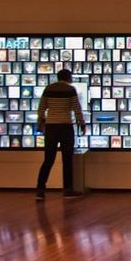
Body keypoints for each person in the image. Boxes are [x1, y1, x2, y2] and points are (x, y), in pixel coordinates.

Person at [36, 69, 86, 201]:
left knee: (48, 160)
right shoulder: (70, 89)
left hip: (51, 127)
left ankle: (40, 190)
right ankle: (67, 190)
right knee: (67, 160)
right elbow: (77, 108)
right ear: (68, 77)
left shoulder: (48, 89)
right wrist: (82, 123)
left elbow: (41, 107)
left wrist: (40, 122)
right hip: (65, 126)